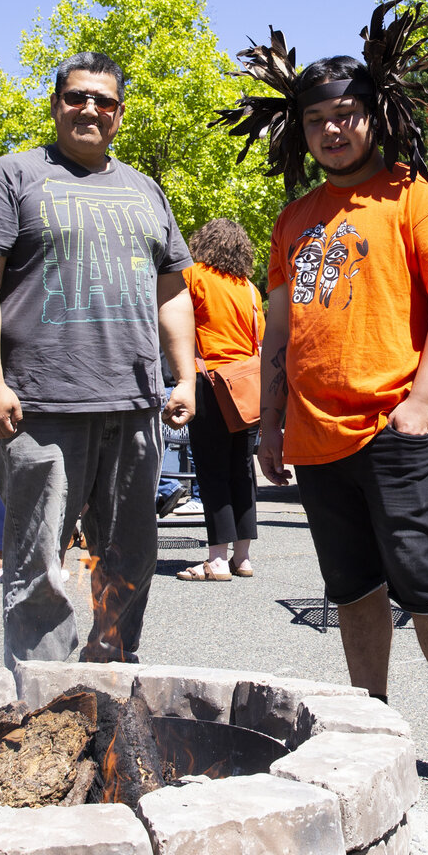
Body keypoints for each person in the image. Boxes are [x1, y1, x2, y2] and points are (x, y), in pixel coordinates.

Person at [219, 0, 428, 805]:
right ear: (300, 130)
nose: (332, 131)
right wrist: (269, 425)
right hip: (314, 437)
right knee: (350, 588)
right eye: (317, 120)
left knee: (425, 579)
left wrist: (421, 399)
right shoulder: (294, 219)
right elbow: (278, 334)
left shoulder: (415, 195)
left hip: (394, 425)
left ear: (375, 114)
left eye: (345, 115)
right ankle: (372, 725)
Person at [0, 51, 195, 666]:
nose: (90, 108)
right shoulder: (13, 176)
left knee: (132, 556)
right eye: (76, 96)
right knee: (37, 563)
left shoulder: (145, 189)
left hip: (134, 403)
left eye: (104, 100)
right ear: (57, 104)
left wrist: (186, 377)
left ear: (119, 114)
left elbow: (173, 291)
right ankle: (41, 691)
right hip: (41, 405)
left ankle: (110, 670)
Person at [175, 218, 264, 582]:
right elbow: (258, 336)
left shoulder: (193, 276)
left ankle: (216, 560)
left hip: (209, 381)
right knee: (242, 470)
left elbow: (175, 322)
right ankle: (242, 558)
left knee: (212, 471)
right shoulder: (249, 288)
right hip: (247, 387)